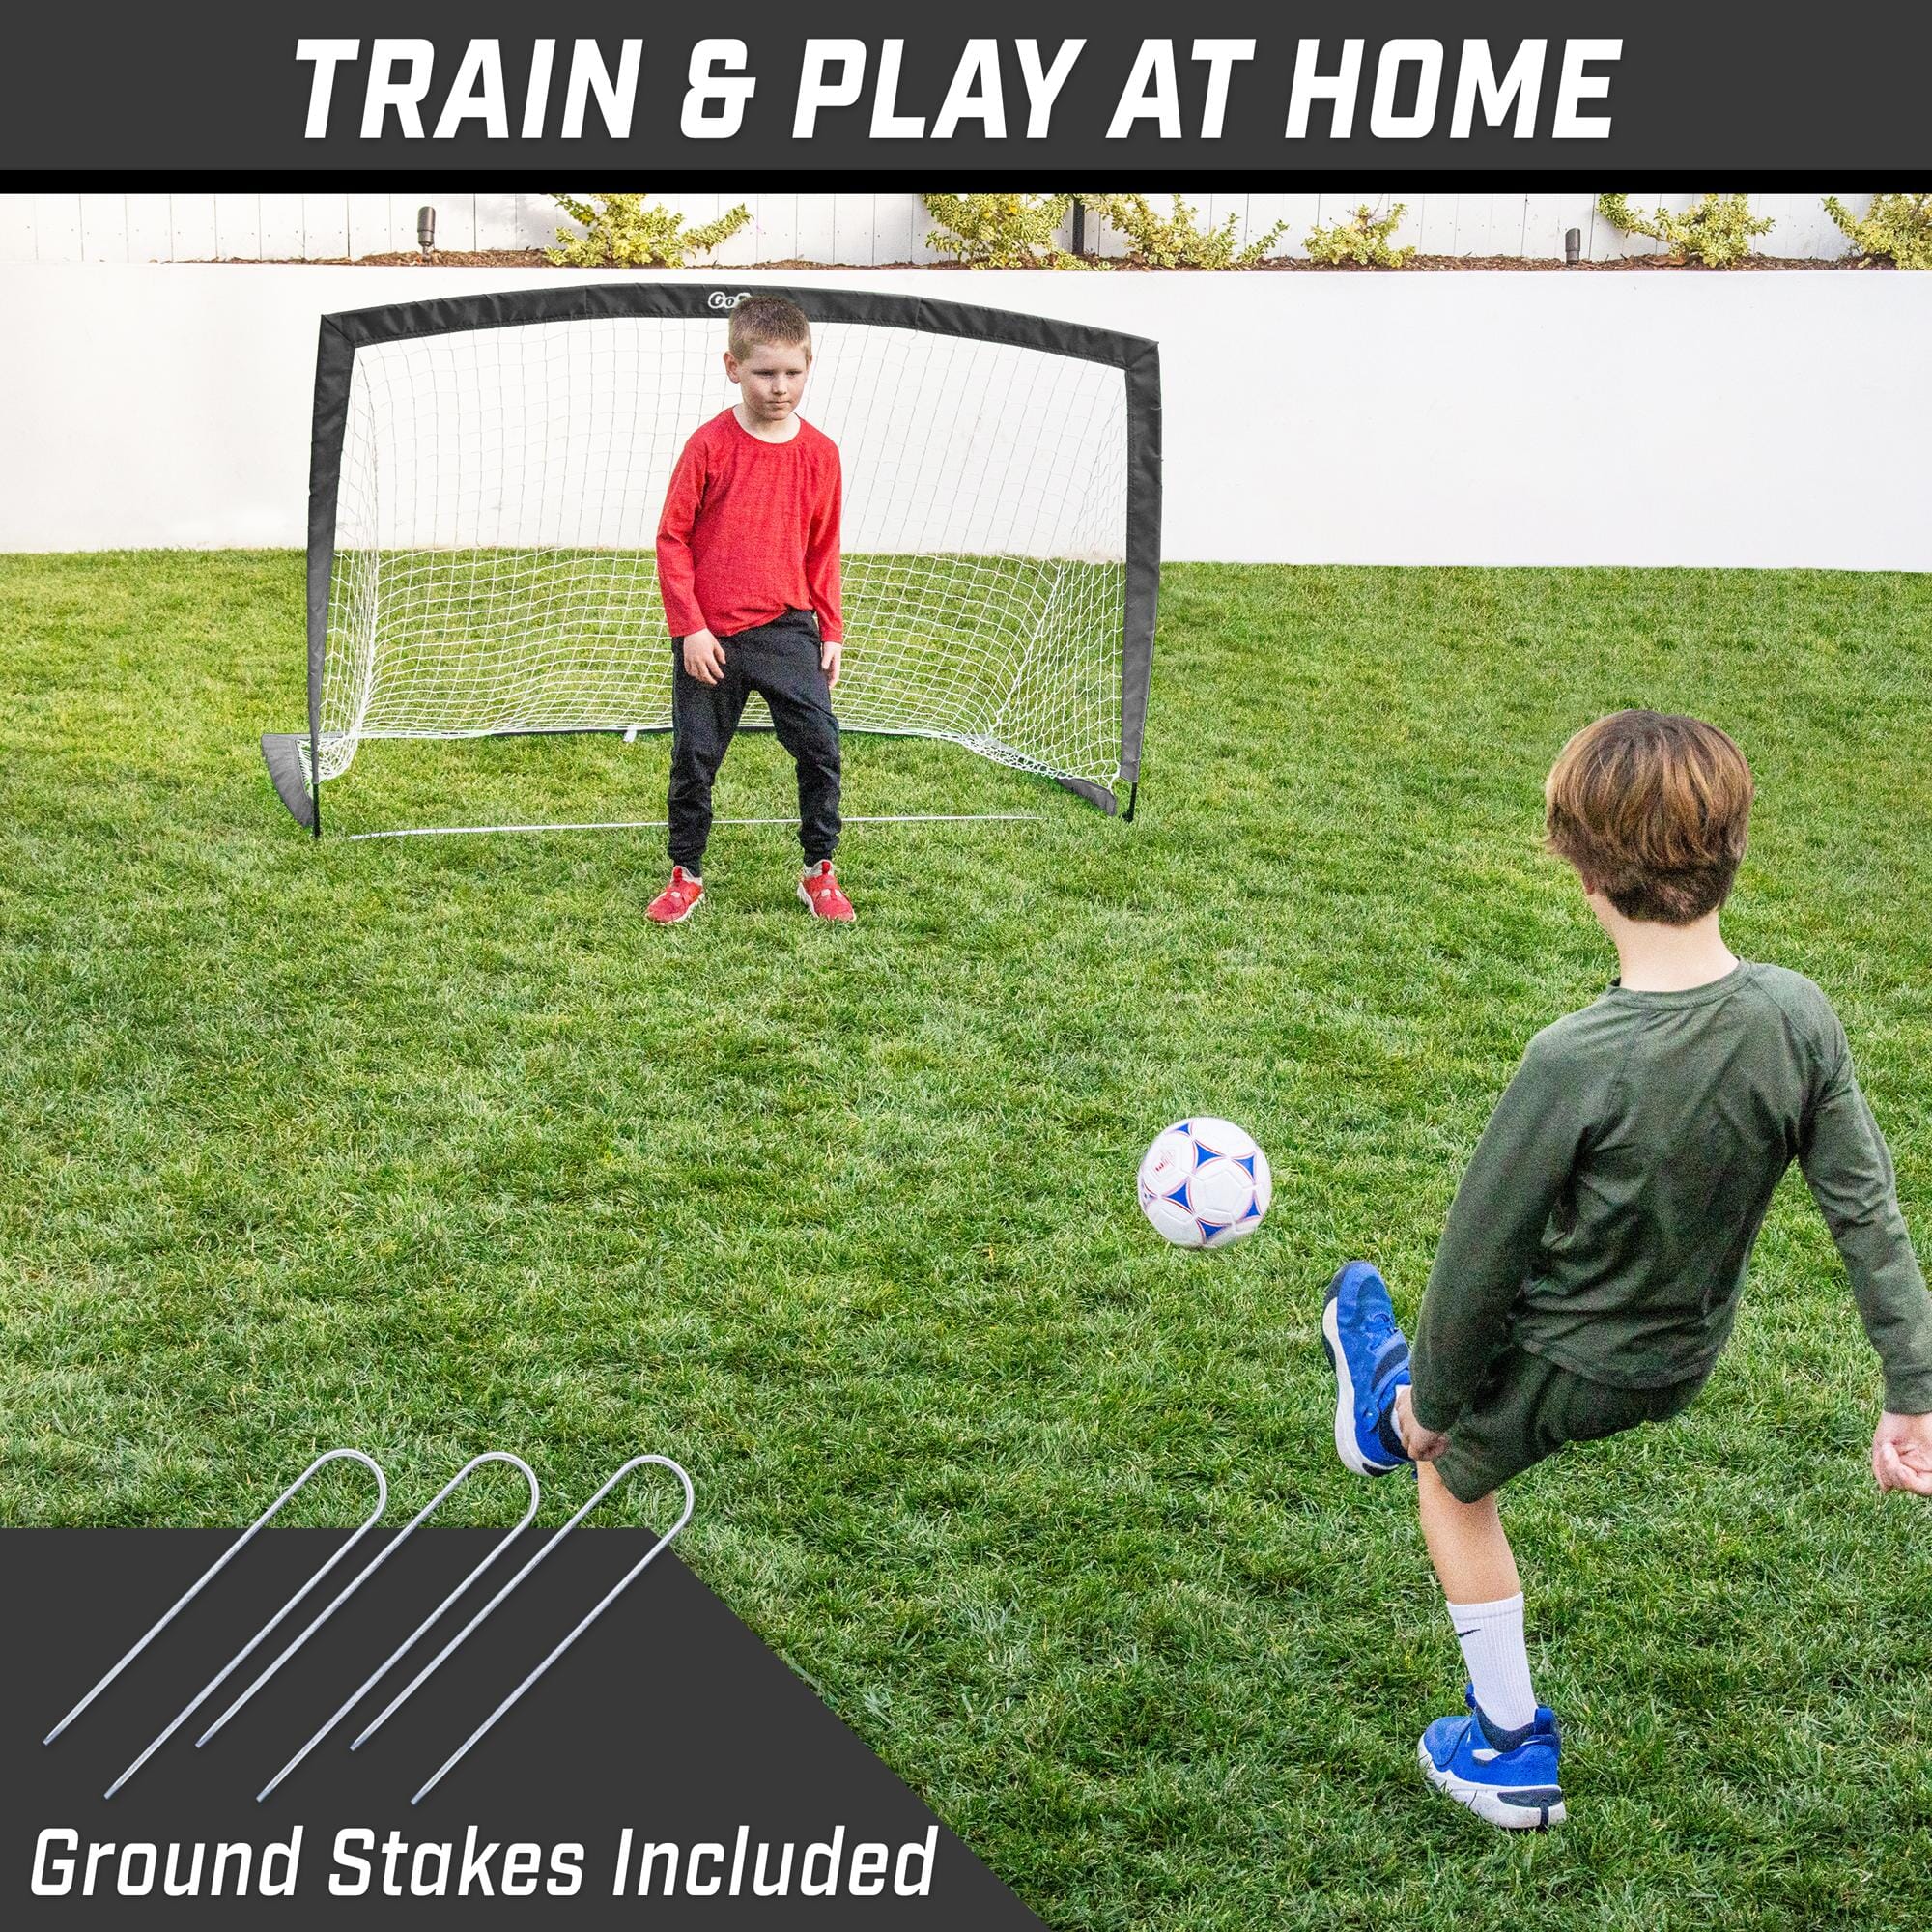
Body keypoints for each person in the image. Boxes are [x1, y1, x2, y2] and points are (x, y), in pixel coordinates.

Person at [1321, 709, 1932, 1831]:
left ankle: (1503, 1746)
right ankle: (1383, 1393)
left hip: (1567, 1358)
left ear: (1578, 866)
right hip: (1679, 1358)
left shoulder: (1572, 1059)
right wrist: (1913, 1394)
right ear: (1735, 845)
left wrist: (1438, 1409)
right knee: (1427, 1391)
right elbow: (1866, 1215)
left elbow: (1475, 1263)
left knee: (1447, 1478)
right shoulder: (1796, 1014)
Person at [646, 294, 854, 924]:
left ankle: (819, 869)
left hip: (789, 629)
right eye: (765, 372)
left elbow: (823, 547)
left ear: (808, 366)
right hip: (712, 637)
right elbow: (671, 539)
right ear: (733, 367)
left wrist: (832, 628)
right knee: (694, 758)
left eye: (793, 372)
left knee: (821, 746)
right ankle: (687, 872)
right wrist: (691, 628)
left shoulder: (821, 454)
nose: (780, 386)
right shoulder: (709, 446)